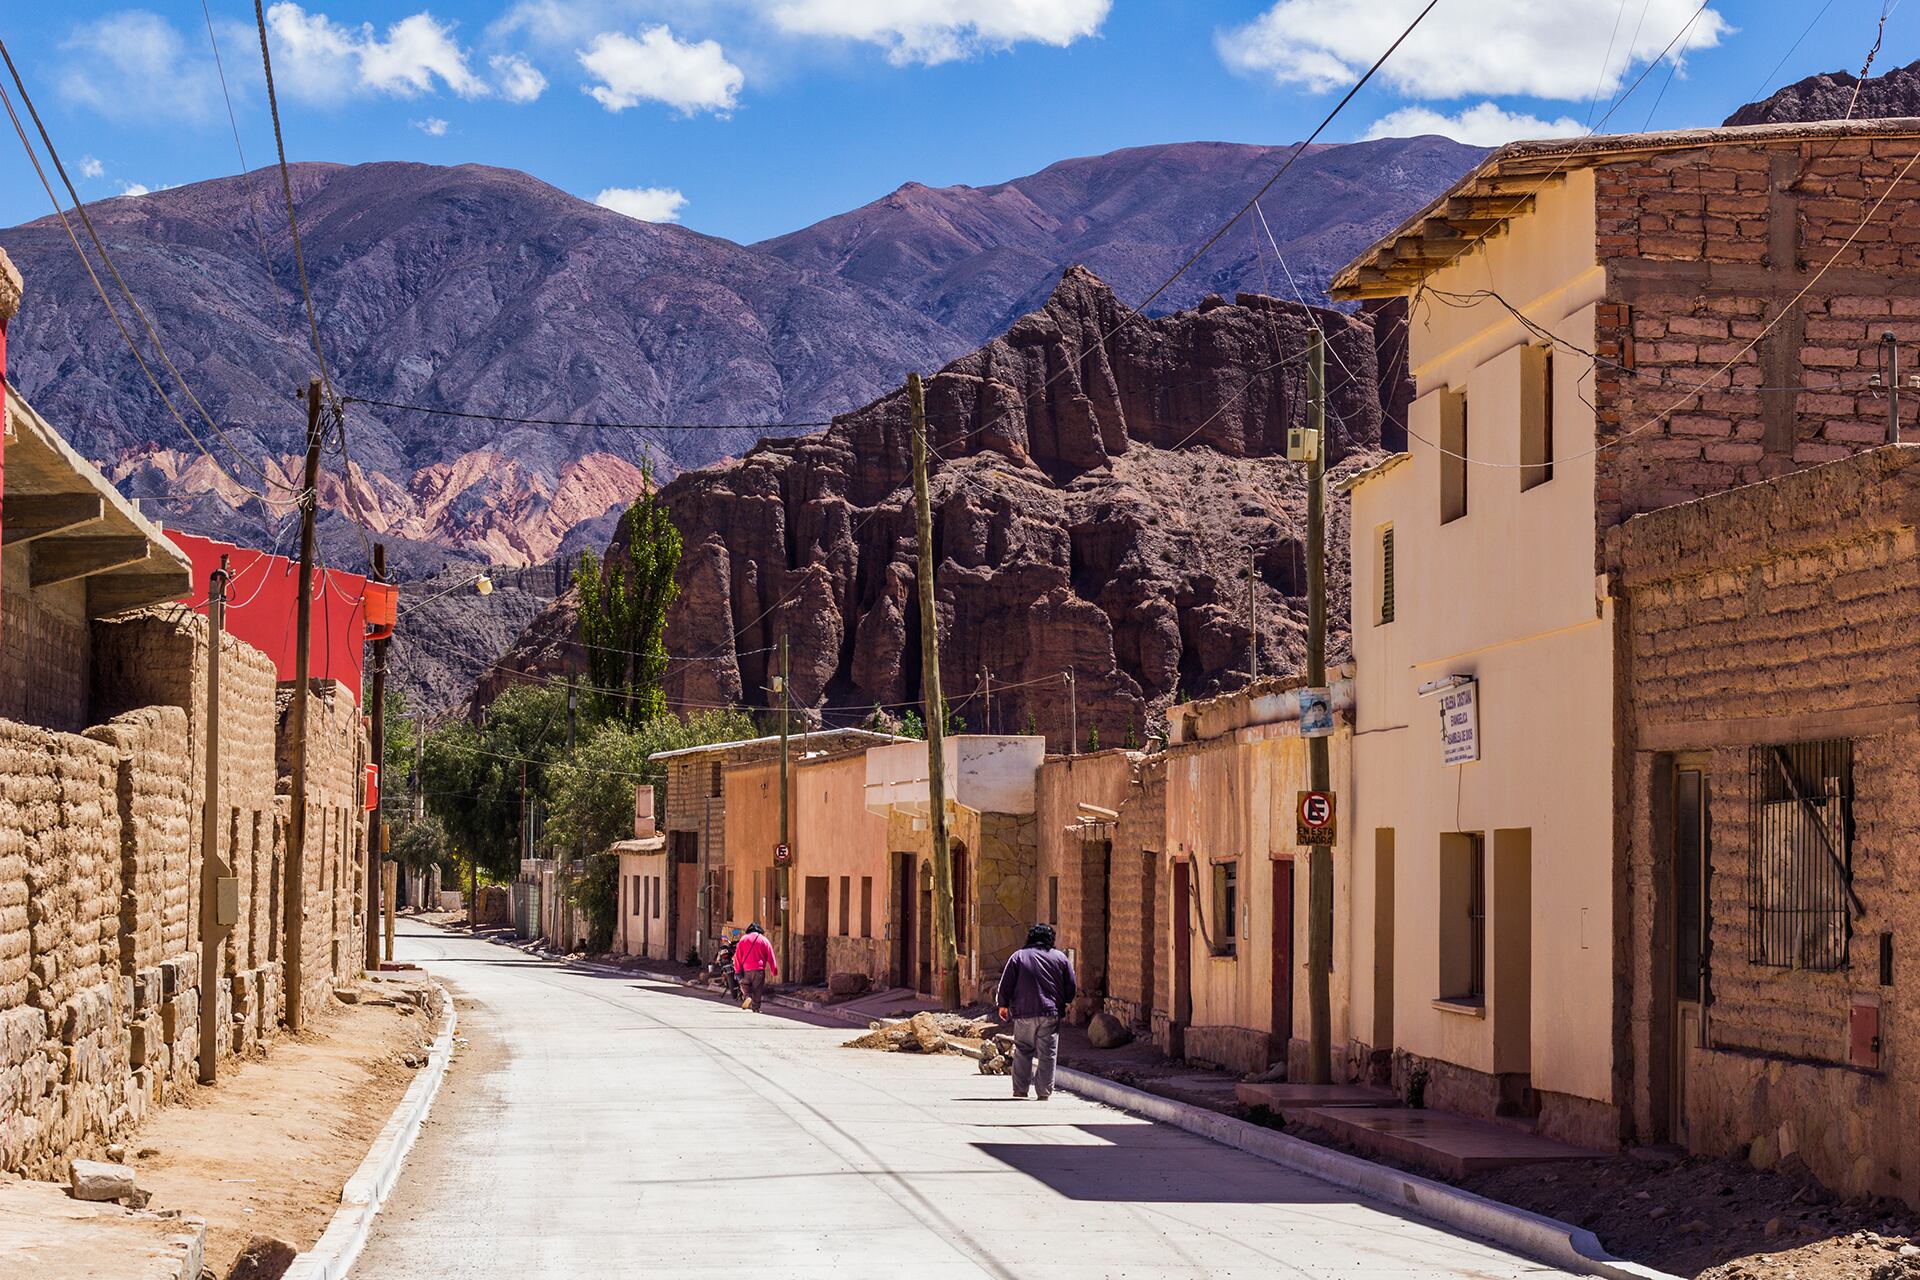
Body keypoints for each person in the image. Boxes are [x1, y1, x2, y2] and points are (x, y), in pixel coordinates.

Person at [995, 923, 1076, 1101]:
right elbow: (1071, 985)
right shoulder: (1060, 958)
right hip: (1050, 1012)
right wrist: (1066, 1002)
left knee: (1023, 1050)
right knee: (1047, 1052)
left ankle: (1020, 1090)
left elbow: (1006, 983)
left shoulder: (1018, 957)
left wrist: (1003, 1005)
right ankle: (1044, 1092)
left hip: (1023, 1012)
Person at [732, 922, 778, 1012]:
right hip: (759, 970)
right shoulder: (764, 940)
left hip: (746, 970)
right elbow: (771, 956)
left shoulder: (743, 939)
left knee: (744, 985)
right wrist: (774, 970)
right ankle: (756, 1007)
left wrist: (737, 969)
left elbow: (737, 956)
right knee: (757, 989)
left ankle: (747, 997)